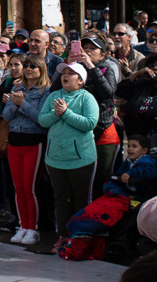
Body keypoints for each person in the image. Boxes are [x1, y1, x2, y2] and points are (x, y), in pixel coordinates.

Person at [59, 135, 157, 261]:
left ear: (144, 150)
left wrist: (130, 175)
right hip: (119, 194)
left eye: (134, 146)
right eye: (129, 146)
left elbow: (149, 173)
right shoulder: (129, 162)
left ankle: (81, 243)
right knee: (88, 212)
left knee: (95, 214)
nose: (130, 149)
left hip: (131, 198)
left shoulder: (147, 162)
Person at [39, 62, 100, 254]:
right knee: (60, 199)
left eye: (70, 73)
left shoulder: (86, 97)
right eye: (63, 73)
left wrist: (66, 113)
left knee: (80, 199)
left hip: (81, 159)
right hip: (55, 158)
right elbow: (42, 120)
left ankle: (80, 236)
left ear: (80, 81)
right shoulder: (53, 96)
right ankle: (63, 235)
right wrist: (57, 114)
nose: (65, 76)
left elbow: (90, 123)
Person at [1, 53, 51, 245]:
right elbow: (6, 116)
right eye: (27, 66)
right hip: (15, 140)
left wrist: (22, 104)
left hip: (33, 141)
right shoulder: (17, 88)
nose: (29, 69)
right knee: (18, 187)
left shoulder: (46, 91)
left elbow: (42, 119)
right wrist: (15, 104)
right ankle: (23, 225)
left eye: (33, 66)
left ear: (41, 70)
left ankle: (33, 228)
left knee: (30, 188)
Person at [72, 34, 120, 199]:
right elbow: (55, 91)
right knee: (81, 179)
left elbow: (108, 93)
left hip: (103, 129)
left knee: (101, 177)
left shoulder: (107, 69)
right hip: (79, 129)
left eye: (93, 49)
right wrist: (69, 64)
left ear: (102, 54)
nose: (87, 51)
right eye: (85, 48)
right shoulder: (75, 69)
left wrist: (92, 67)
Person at [114, 55, 157, 139]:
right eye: (153, 65)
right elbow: (120, 92)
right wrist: (136, 74)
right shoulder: (141, 84)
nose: (155, 68)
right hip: (134, 135)